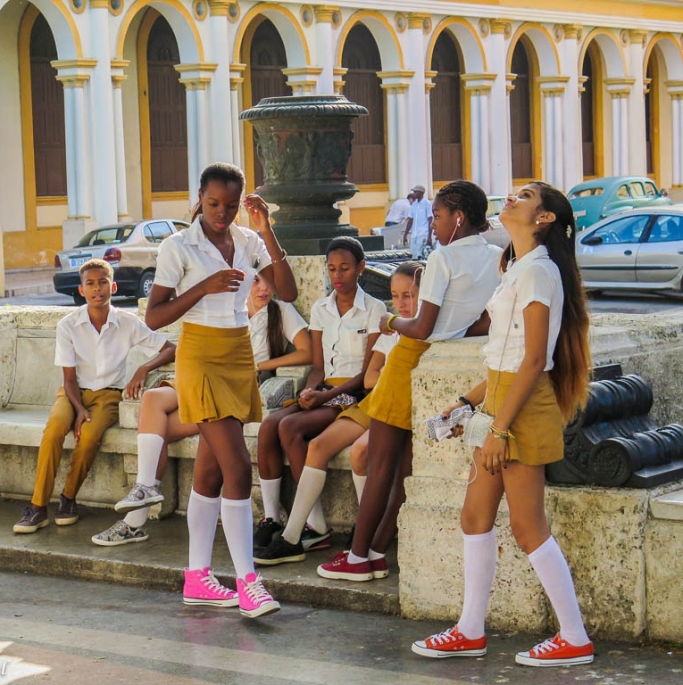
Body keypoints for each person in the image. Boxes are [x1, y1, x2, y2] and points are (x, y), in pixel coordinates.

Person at [411, 182, 594, 668]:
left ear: (545, 218)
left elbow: (535, 360)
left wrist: (497, 429)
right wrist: (461, 405)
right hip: (499, 403)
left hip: (521, 409)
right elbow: (502, 358)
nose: (513, 197)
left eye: (527, 195)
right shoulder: (512, 266)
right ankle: (470, 630)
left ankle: (574, 636)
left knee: (528, 526)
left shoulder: (539, 272)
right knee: (475, 518)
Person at [318, 180, 502, 582]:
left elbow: (419, 326)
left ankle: (356, 558)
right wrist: (454, 332)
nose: (432, 224)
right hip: (447, 358)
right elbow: (487, 320)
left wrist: (388, 320)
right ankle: (377, 552)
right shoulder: (496, 255)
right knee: (403, 468)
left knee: (381, 465)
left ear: (458, 218)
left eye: (437, 216)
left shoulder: (443, 259)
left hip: (408, 360)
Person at [145, 162, 297, 619]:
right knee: (237, 466)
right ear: (200, 197)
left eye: (231, 205)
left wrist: (266, 230)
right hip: (199, 355)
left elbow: (286, 290)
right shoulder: (179, 245)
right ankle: (249, 582)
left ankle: (197, 578)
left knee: (210, 472)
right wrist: (204, 287)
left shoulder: (248, 241)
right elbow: (155, 317)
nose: (222, 213)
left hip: (236, 354)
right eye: (214, 204)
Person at [91, 274, 311, 546]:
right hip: (200, 379)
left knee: (156, 432)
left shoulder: (280, 312)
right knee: (152, 400)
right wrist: (146, 367)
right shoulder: (229, 306)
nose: (263, 288)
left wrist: (261, 366)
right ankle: (145, 490)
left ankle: (135, 521)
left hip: (231, 392)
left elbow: (306, 352)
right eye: (255, 280)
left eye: (268, 281)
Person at [253, 261, 421, 567]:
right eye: (395, 296)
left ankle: (356, 531)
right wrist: (313, 389)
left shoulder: (390, 316)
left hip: (368, 399)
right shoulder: (375, 323)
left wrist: (381, 375)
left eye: (408, 296)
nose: (400, 303)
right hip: (357, 397)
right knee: (295, 436)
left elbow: (367, 379)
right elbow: (359, 375)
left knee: (345, 445)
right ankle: (292, 533)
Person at [13, 259, 175, 534]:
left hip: (109, 397)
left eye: (102, 282)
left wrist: (143, 368)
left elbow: (170, 348)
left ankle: (68, 499)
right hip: (72, 393)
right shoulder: (69, 325)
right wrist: (78, 410)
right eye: (90, 283)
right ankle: (38, 507)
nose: (97, 289)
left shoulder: (127, 322)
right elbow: (68, 378)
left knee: (88, 438)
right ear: (81, 289)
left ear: (112, 286)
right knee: (53, 431)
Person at [403, 185, 432, 258]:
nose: (414, 194)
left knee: (421, 255)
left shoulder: (427, 204)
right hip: (414, 234)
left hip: (423, 233)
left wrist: (429, 236)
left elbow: (430, 220)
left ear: (421, 193)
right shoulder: (414, 205)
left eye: (415, 192)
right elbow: (410, 220)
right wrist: (405, 234)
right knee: (414, 255)